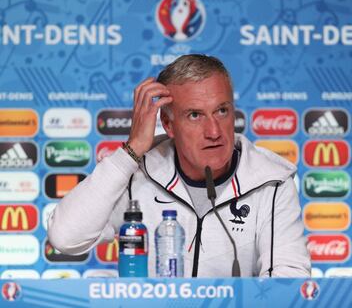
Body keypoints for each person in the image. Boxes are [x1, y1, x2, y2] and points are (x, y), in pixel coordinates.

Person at [48, 54, 311, 278]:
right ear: (169, 124)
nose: (214, 131)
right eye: (195, 115)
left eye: (222, 111)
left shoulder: (272, 181)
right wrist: (131, 152)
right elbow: (66, 239)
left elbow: (288, 281)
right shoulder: (137, 173)